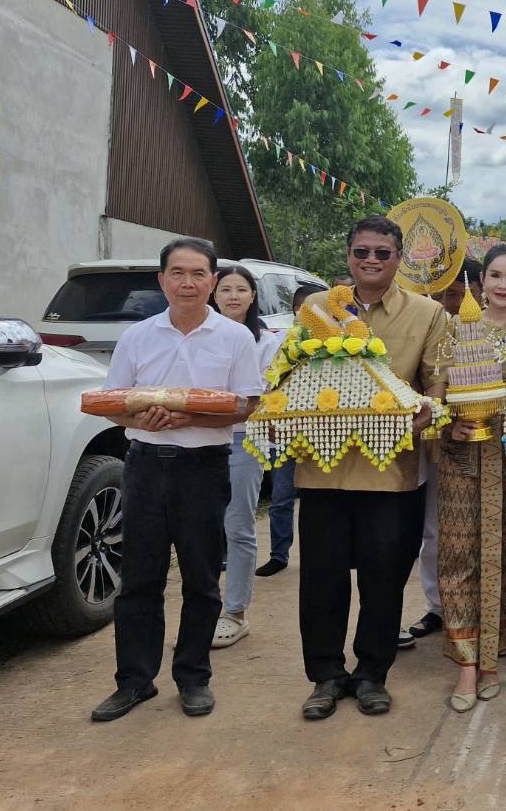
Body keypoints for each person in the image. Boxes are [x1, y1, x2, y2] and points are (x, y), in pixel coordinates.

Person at [89, 238, 263, 722]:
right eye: (178, 273)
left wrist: (190, 421)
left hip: (204, 470)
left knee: (202, 579)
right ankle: (135, 682)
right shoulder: (138, 336)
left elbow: (247, 404)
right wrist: (143, 423)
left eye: (199, 274)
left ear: (212, 280)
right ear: (162, 280)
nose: (188, 283)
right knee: (139, 579)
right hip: (144, 464)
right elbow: (115, 401)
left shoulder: (235, 339)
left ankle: (192, 677)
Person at [294, 216, 448, 721]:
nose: (372, 261)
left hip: (391, 474)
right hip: (322, 470)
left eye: (383, 253)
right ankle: (325, 677)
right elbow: (289, 376)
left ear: (399, 259)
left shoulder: (426, 314)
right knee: (322, 579)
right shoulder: (316, 309)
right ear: (349, 256)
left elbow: (436, 389)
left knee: (384, 581)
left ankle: (371, 675)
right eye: (363, 251)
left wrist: (425, 417)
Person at [437, 246, 506, 712]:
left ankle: (493, 658)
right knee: (460, 553)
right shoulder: (456, 328)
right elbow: (434, 392)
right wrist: (447, 424)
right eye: (495, 276)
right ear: (482, 283)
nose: (503, 285)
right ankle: (465, 663)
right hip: (463, 452)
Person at [404, 257, 485, 650]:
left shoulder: (489, 329)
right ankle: (438, 606)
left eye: (457, 291)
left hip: (483, 440)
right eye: (442, 292)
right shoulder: (422, 323)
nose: (449, 299)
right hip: (435, 441)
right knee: (436, 528)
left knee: (482, 527)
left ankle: (484, 606)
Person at [209, 265, 286, 648]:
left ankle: (234, 612)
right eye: (226, 289)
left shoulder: (267, 342)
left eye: (241, 289)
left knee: (238, 526)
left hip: (244, 440)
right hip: (200, 440)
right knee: (200, 529)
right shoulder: (202, 337)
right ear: (214, 293)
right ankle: (203, 608)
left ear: (253, 296)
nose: (233, 296)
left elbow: (264, 395)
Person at [257, 283, 318, 578]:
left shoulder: (334, 346)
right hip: (287, 430)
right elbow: (270, 383)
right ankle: (279, 554)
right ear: (294, 311)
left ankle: (320, 554)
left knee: (320, 499)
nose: (306, 316)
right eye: (301, 310)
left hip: (322, 432)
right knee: (281, 495)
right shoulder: (283, 344)